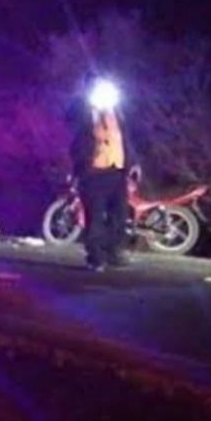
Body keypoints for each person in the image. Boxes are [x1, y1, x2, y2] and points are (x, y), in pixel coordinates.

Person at [68, 74, 134, 272]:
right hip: (94, 173)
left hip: (117, 171)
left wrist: (133, 164)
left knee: (119, 216)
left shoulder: (117, 113)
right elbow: (76, 137)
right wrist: (90, 107)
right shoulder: (83, 112)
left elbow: (124, 140)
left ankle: (113, 252)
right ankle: (95, 257)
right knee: (95, 217)